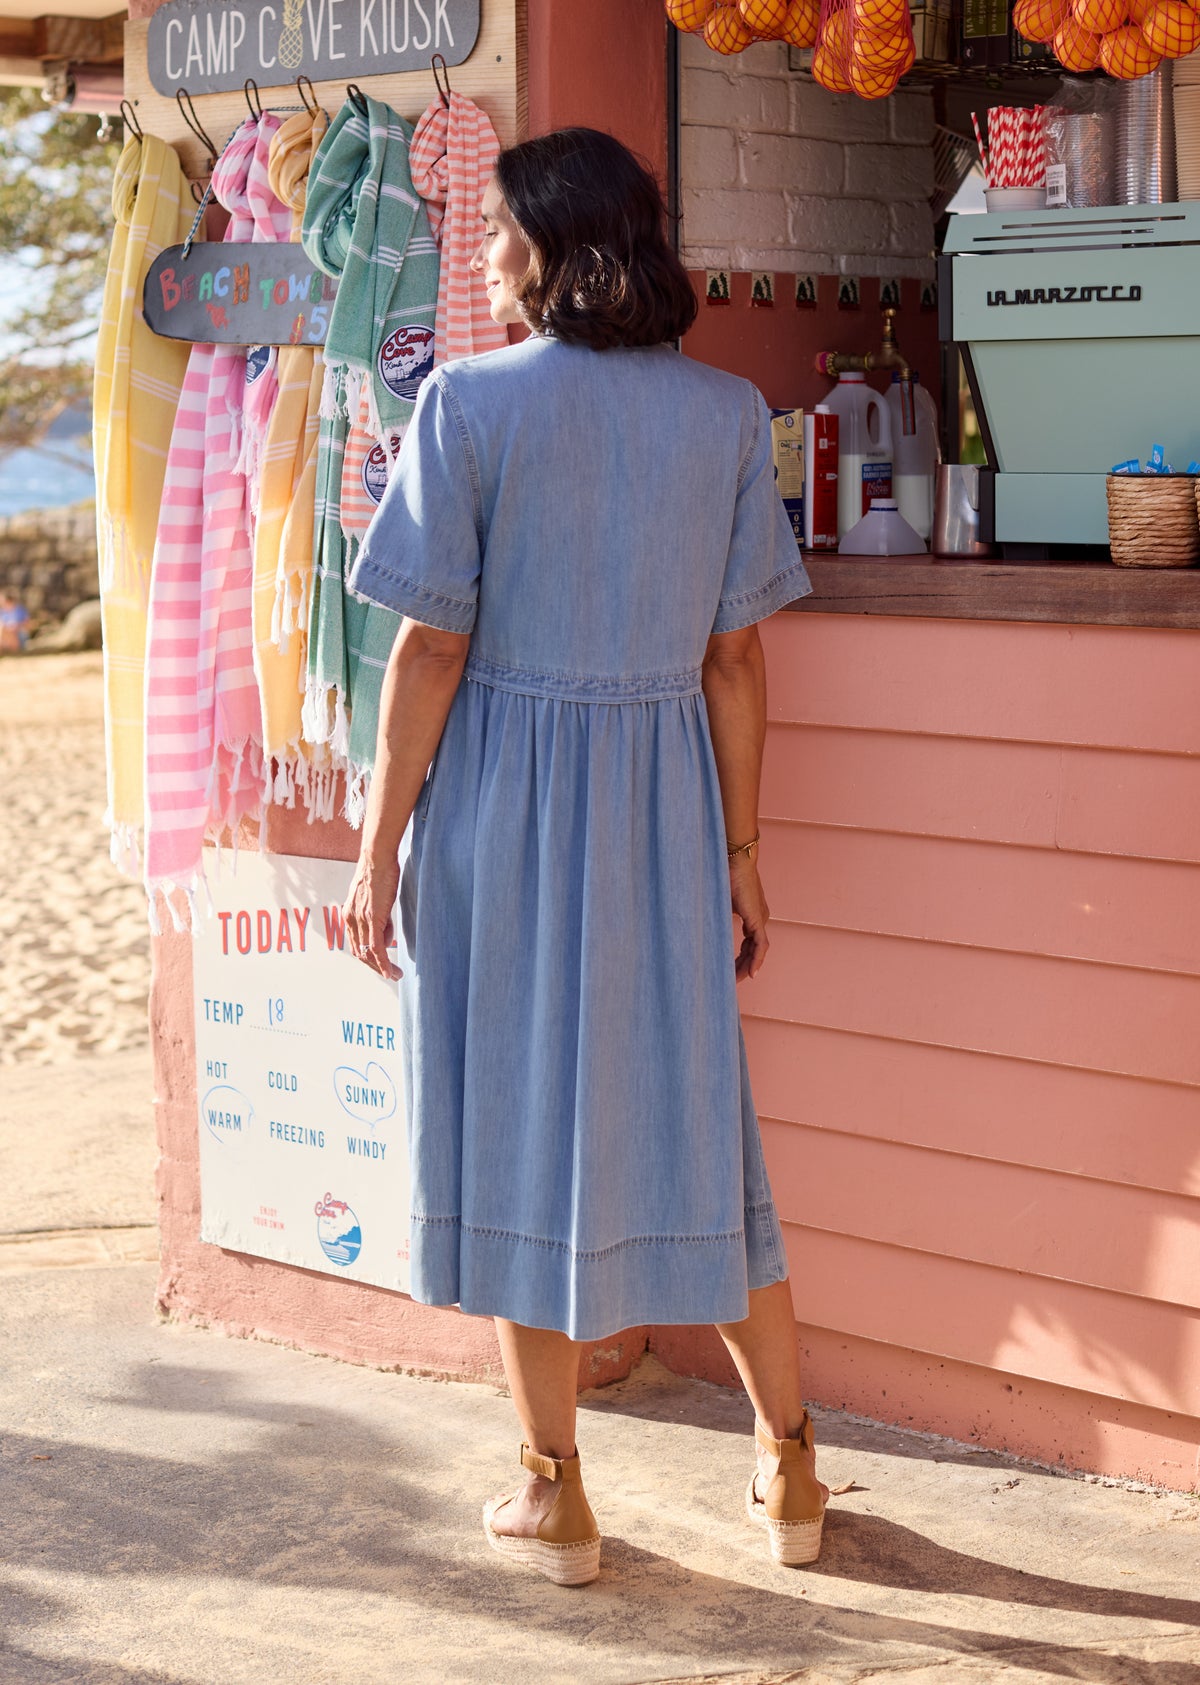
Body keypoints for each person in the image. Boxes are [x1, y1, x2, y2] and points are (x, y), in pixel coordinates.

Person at [343, 127, 827, 1586]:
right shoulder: (730, 414)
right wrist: (742, 848)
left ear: (556, 247)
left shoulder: (468, 407)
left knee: (512, 1130)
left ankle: (556, 1493)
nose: (484, 259)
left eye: (496, 234)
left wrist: (375, 852)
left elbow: (430, 646)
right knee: (697, 1131)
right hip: (663, 811)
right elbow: (735, 660)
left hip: (498, 803)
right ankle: (792, 1469)